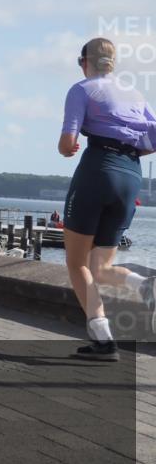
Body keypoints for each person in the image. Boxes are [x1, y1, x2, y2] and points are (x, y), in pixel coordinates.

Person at [60, 37, 156, 361]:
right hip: (131, 175)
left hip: (98, 169)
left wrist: (68, 148)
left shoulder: (82, 89)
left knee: (76, 263)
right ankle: (145, 287)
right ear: (112, 64)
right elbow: (153, 138)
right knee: (101, 267)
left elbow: (66, 142)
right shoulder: (135, 93)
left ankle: (103, 340)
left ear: (85, 62)